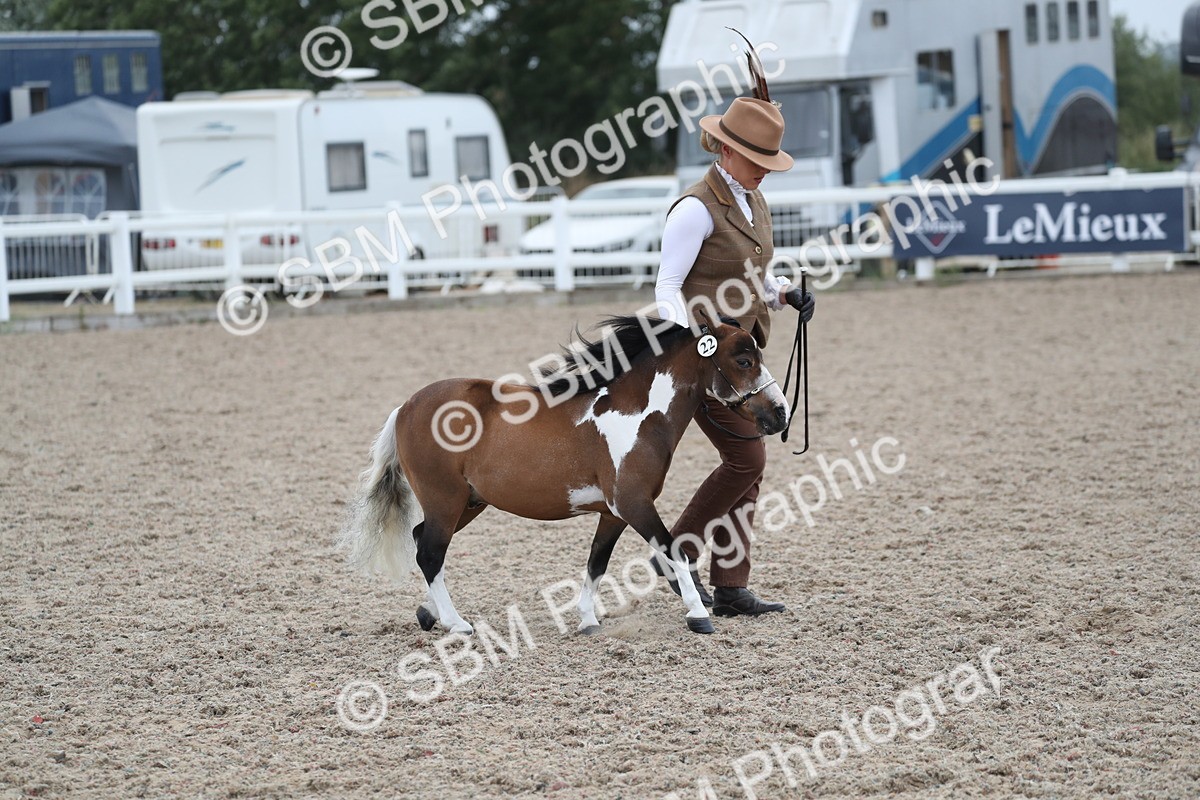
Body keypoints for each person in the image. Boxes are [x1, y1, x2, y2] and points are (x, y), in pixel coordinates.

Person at [654, 95, 815, 617]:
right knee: (748, 457)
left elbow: (754, 276)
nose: (764, 172)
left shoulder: (751, 200)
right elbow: (668, 286)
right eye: (756, 160)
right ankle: (676, 552)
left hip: (742, 359)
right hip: (708, 365)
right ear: (725, 148)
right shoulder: (695, 209)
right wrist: (695, 342)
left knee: (749, 464)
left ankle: (729, 586)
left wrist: (784, 293)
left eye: (770, 162)